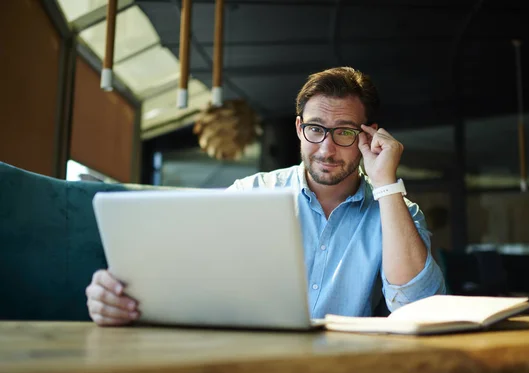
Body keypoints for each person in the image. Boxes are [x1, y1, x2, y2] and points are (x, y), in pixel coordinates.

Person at [85, 66, 447, 326]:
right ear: (298, 128)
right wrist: (117, 294)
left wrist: (385, 182)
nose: (327, 148)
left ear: (368, 136)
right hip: (251, 365)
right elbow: (185, 274)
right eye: (316, 129)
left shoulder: (395, 208)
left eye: (346, 133)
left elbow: (417, 306)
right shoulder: (248, 194)